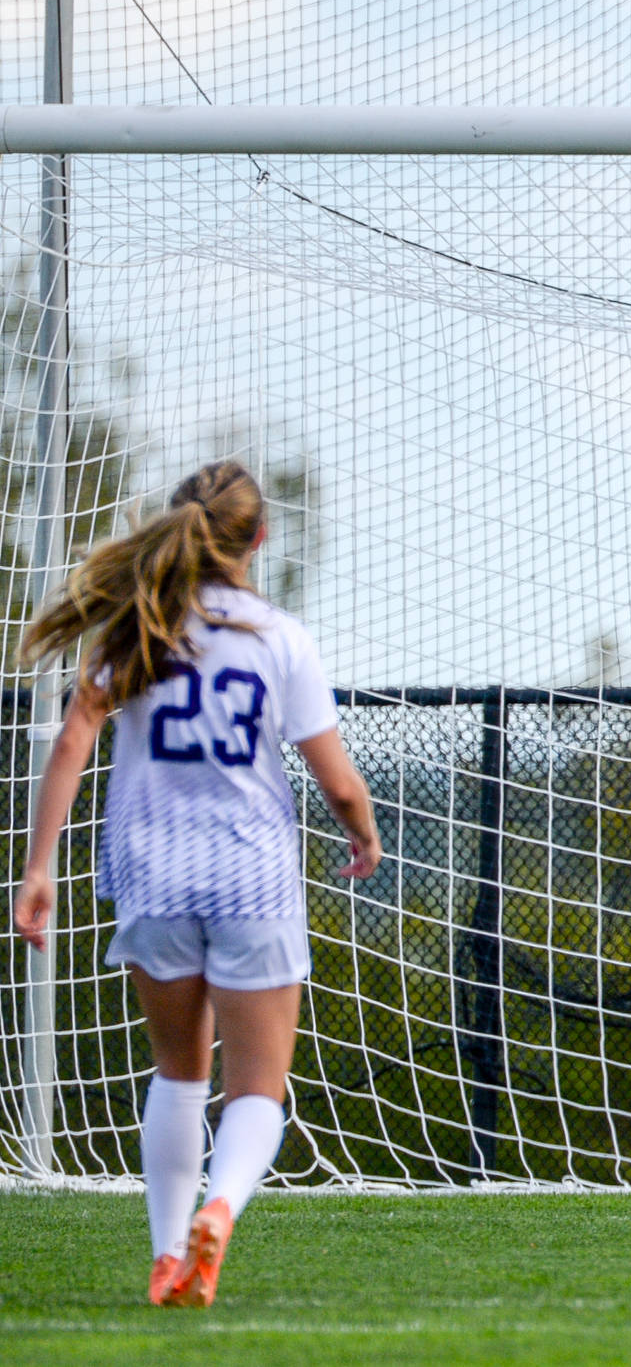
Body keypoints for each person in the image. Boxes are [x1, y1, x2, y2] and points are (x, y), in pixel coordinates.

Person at [10, 462, 381, 1307]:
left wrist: (38, 868)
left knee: (178, 1073)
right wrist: (362, 833)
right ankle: (221, 1207)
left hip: (154, 874)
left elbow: (72, 739)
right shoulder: (278, 637)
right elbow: (337, 782)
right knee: (258, 1088)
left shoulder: (137, 624)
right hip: (252, 877)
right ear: (259, 538)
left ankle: (166, 1258)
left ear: (176, 526)